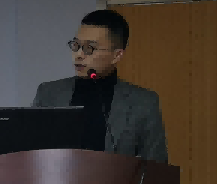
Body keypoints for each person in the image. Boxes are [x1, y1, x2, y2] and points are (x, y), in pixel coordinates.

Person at [32, 9, 168, 163]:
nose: (79, 55)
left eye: (89, 48)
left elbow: (157, 167)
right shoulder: (48, 93)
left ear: (117, 55)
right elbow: (29, 154)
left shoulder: (143, 102)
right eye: (76, 45)